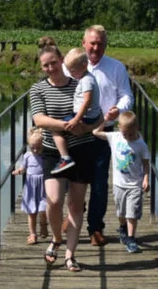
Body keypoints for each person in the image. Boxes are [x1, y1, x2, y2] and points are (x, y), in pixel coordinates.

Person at [28, 41, 104, 272]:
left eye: (53, 63)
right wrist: (66, 125)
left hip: (81, 149)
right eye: (45, 65)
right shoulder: (37, 89)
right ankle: (55, 238)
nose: (50, 68)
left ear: (62, 60)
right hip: (53, 152)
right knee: (53, 200)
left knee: (75, 204)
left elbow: (98, 114)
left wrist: (85, 128)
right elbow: (39, 119)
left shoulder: (80, 84)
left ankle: (70, 254)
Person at [78, 25, 134, 246]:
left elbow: (127, 96)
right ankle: (74, 216)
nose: (95, 47)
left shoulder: (116, 68)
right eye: (92, 43)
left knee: (100, 183)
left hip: (104, 132)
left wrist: (118, 110)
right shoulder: (71, 66)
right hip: (77, 131)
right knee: (74, 181)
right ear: (84, 43)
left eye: (100, 43)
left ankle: (95, 228)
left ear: (105, 45)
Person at [93, 111, 149, 252]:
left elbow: (146, 163)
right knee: (121, 213)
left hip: (135, 184)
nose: (128, 137)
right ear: (119, 128)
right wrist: (105, 120)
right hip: (119, 184)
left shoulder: (141, 144)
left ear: (137, 128)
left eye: (131, 134)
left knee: (132, 213)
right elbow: (95, 132)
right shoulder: (115, 137)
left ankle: (131, 238)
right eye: (125, 134)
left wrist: (146, 178)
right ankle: (122, 227)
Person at [48, 47, 103, 176]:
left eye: (73, 71)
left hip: (85, 117)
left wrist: (76, 119)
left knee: (53, 127)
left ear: (84, 66)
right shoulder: (85, 78)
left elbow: (87, 101)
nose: (71, 74)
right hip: (90, 116)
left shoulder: (87, 80)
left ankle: (65, 157)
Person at [12, 127, 48, 244]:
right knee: (31, 212)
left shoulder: (45, 156)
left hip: (43, 186)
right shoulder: (27, 156)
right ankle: (32, 234)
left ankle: (43, 224)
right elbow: (24, 167)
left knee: (44, 209)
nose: (36, 150)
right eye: (33, 148)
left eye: (38, 148)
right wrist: (19, 171)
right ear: (28, 146)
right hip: (31, 187)